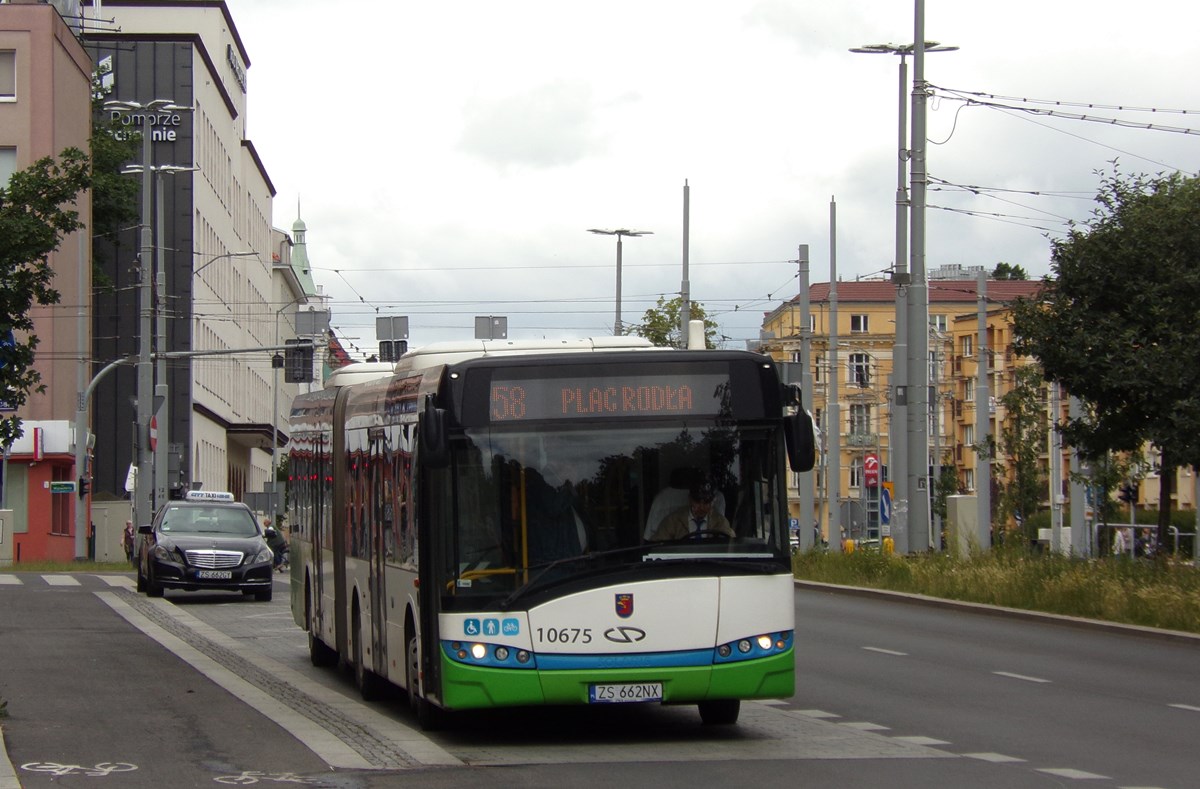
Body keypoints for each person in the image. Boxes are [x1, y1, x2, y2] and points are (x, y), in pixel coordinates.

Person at [650, 480, 734, 541]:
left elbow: (732, 546)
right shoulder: (673, 521)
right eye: (697, 501)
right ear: (690, 499)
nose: (701, 507)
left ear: (712, 502)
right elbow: (657, 545)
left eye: (706, 502)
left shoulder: (720, 521)